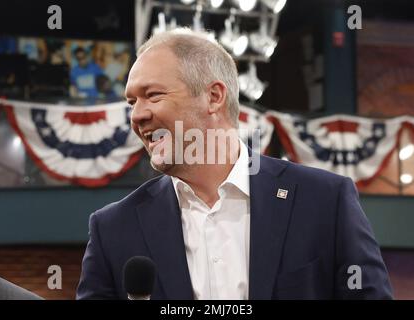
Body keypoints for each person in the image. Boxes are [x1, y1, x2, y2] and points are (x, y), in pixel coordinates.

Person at [76, 28, 393, 300]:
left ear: (214, 97)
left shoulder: (324, 201)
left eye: (153, 95)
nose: (137, 115)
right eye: (132, 102)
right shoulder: (113, 230)